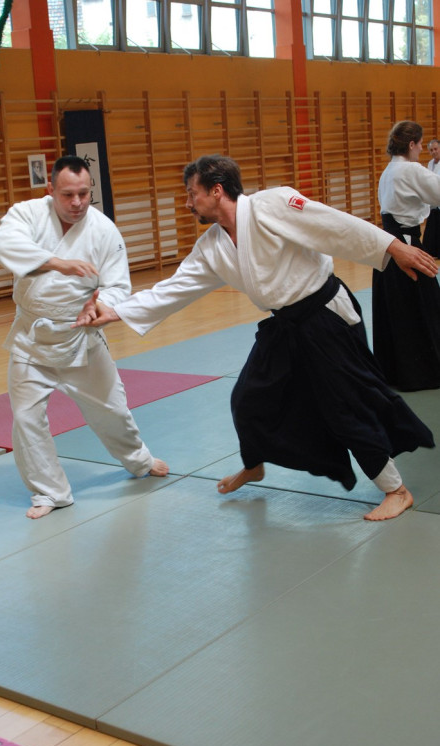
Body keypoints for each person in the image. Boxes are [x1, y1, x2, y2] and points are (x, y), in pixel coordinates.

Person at [73, 154, 438, 522]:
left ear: (216, 191)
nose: (188, 203)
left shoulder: (272, 205)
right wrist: (116, 311)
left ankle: (396, 490)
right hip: (286, 325)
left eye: (191, 194)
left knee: (346, 407)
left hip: (325, 317)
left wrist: (394, 247)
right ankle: (255, 464)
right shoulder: (213, 246)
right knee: (249, 395)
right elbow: (174, 289)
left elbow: (333, 226)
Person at [0, 155, 168, 519]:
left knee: (113, 410)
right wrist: (57, 263)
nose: (77, 203)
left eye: (84, 194)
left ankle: (139, 460)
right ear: (50, 191)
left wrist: (100, 306)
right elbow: (6, 245)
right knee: (27, 419)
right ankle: (50, 492)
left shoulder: (104, 231)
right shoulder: (25, 214)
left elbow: (119, 284)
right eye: (68, 195)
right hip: (32, 338)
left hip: (81, 336)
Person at [374, 121, 440, 392]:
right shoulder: (411, 169)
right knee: (427, 307)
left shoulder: (389, 170)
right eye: (421, 144)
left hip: (388, 245)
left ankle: (395, 371)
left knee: (397, 309)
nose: (423, 150)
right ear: (411, 144)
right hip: (408, 246)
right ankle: (423, 371)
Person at [421, 138, 440, 259]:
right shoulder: (430, 164)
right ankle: (431, 252)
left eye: (436, 149)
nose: (434, 152)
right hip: (434, 201)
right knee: (432, 227)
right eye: (431, 150)